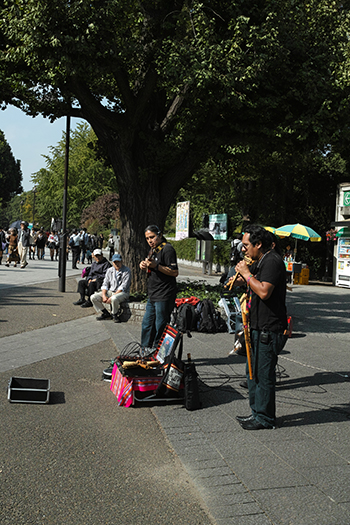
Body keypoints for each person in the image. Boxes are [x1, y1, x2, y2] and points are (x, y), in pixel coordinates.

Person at [231, 224, 287, 430]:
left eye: (246, 245)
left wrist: (246, 274)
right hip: (255, 326)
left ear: (259, 244)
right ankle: (256, 412)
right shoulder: (259, 261)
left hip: (269, 328)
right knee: (252, 373)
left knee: (263, 376)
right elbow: (250, 282)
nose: (243, 249)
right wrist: (239, 278)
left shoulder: (272, 261)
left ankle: (265, 418)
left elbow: (264, 291)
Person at [139, 224, 178, 349]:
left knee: (160, 325)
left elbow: (174, 272)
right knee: (146, 324)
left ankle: (158, 351)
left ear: (160, 235)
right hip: (153, 293)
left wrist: (156, 266)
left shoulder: (168, 249)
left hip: (164, 293)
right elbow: (152, 269)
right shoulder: (153, 250)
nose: (150, 241)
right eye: (147, 238)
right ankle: (145, 350)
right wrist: (144, 266)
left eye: (152, 237)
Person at [91, 253, 131, 322]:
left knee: (114, 298)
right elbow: (105, 284)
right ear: (112, 262)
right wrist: (103, 295)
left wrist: (112, 296)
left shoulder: (127, 271)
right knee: (93, 297)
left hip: (123, 292)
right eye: (115, 262)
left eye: (118, 262)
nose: (117, 264)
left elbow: (123, 286)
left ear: (121, 261)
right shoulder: (110, 270)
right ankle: (105, 313)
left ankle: (114, 314)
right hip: (111, 291)